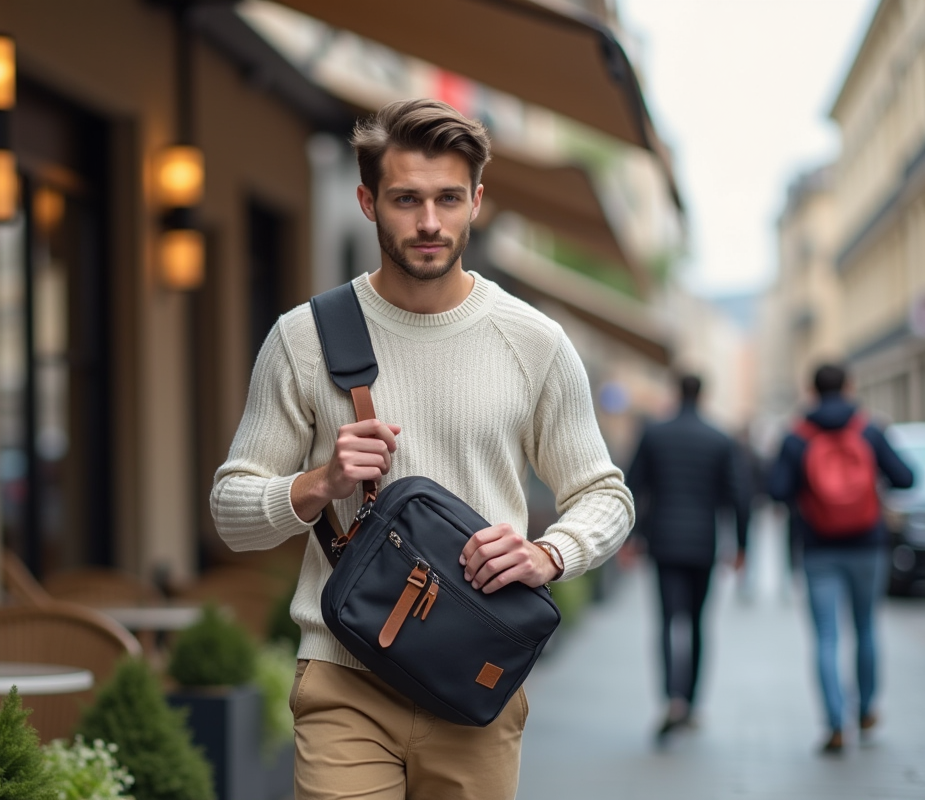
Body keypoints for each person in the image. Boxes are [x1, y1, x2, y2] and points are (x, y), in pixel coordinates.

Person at [210, 98, 634, 800]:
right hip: (345, 677)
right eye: (406, 199)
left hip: (476, 681)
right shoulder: (303, 338)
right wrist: (319, 483)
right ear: (368, 202)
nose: (430, 222)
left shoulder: (534, 342)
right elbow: (231, 510)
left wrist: (550, 554)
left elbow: (605, 495)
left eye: (448, 199)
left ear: (477, 203)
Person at [767, 363, 913, 754]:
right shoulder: (869, 429)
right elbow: (905, 478)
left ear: (811, 390)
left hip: (819, 548)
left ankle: (835, 722)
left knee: (826, 637)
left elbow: (776, 490)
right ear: (849, 387)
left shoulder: (796, 436)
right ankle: (866, 710)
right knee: (866, 628)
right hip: (868, 545)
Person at [625, 374, 749, 742]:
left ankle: (671, 699)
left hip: (663, 542)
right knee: (697, 623)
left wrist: (630, 537)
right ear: (704, 395)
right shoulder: (720, 438)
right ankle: (691, 703)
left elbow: (633, 486)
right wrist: (742, 545)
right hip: (703, 544)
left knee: (666, 621)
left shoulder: (655, 433)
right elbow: (739, 496)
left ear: (676, 392)